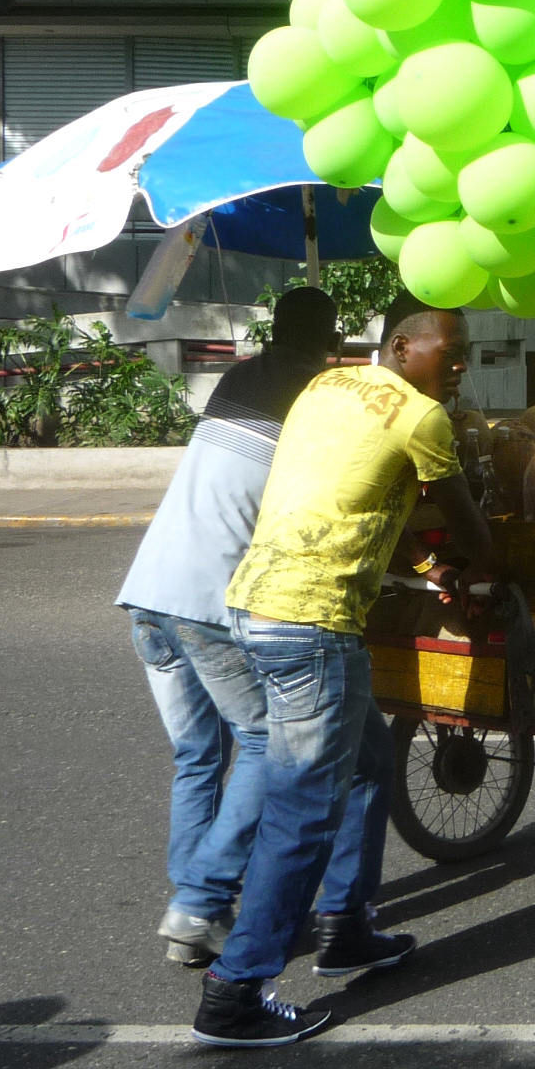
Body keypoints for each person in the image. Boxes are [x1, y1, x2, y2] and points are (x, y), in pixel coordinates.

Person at [192, 295, 502, 1048]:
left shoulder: (325, 386)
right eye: (449, 350)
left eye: (466, 352)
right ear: (402, 346)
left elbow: (349, 496)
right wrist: (494, 572)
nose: (460, 365)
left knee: (367, 760)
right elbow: (469, 526)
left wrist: (420, 561)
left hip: (256, 603)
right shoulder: (420, 418)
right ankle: (235, 992)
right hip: (313, 624)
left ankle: (346, 928)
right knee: (303, 810)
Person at [116, 285, 340, 966]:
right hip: (209, 603)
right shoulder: (319, 397)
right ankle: (197, 904)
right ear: (330, 339)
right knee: (269, 740)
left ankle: (195, 906)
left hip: (147, 590)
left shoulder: (241, 376)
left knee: (199, 755)